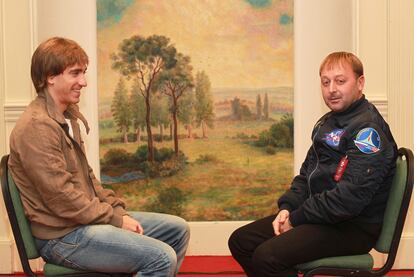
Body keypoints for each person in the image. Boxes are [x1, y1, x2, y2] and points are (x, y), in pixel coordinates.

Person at [8, 37, 190, 277]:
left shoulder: (66, 116)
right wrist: (113, 218)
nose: (83, 82)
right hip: (62, 237)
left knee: (177, 230)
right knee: (160, 257)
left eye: (83, 73)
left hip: (81, 223)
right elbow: (62, 199)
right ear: (50, 77)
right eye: (75, 74)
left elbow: (89, 179)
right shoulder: (37, 127)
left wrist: (117, 210)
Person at [228, 52, 397, 277]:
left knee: (267, 257)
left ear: (360, 82)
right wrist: (287, 208)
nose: (331, 89)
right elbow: (306, 176)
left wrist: (296, 219)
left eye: (340, 80)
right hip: (322, 215)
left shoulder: (367, 131)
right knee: (241, 241)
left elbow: (348, 200)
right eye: (325, 82)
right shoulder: (328, 123)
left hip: (352, 226)